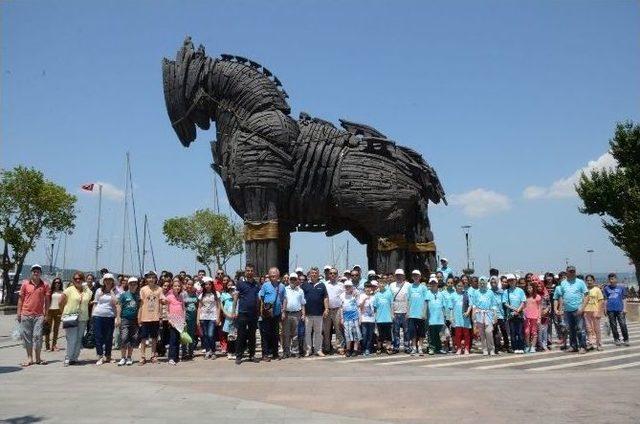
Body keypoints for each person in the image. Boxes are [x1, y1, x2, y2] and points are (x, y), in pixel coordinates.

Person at [17, 264, 50, 366]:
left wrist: (46, 314)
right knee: (27, 337)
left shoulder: (45, 285)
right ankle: (29, 358)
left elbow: (47, 300)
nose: (36, 273)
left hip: (39, 315)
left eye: (38, 271)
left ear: (40, 273)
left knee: (38, 336)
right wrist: (19, 313)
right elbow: (20, 299)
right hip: (26, 314)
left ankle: (38, 358)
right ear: (31, 273)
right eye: (34, 271)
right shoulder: (25, 284)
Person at [59, 272, 92, 366]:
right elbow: (61, 302)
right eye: (76, 279)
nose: (78, 280)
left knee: (79, 338)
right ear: (73, 280)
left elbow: (88, 302)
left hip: (83, 317)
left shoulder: (87, 291)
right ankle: (68, 357)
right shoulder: (69, 290)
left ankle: (74, 358)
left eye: (80, 278)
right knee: (71, 338)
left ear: (83, 280)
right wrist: (63, 313)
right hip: (70, 316)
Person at [554, 265, 588, 353]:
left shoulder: (580, 282)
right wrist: (560, 309)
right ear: (567, 272)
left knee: (581, 329)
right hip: (567, 311)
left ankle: (583, 347)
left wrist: (582, 308)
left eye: (573, 271)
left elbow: (586, 296)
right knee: (570, 329)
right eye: (570, 271)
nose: (572, 273)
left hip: (578, 310)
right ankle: (573, 346)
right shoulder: (563, 283)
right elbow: (561, 296)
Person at [233, 264, 261, 364]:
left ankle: (252, 355)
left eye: (251, 270)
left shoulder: (256, 284)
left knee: (252, 335)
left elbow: (258, 299)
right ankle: (238, 356)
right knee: (241, 335)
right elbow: (236, 297)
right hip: (242, 313)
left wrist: (259, 312)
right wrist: (233, 311)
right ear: (245, 271)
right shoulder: (240, 283)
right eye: (248, 270)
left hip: (253, 314)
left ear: (254, 272)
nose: (249, 272)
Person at [138, 270, 166, 365]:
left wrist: (161, 316)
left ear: (156, 279)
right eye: (149, 277)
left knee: (154, 338)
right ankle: (142, 357)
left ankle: (153, 356)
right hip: (145, 317)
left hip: (155, 317)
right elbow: (141, 304)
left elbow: (161, 303)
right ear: (146, 279)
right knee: (143, 338)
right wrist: (139, 317)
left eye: (153, 277)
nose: (151, 279)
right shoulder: (143, 289)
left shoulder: (159, 289)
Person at [258, 267, 286, 361]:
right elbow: (261, 299)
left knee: (275, 334)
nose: (273, 275)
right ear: (269, 276)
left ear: (278, 275)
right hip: (266, 314)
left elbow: (284, 299)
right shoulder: (265, 285)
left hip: (277, 314)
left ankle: (275, 354)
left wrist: (283, 311)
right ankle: (265, 354)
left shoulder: (282, 286)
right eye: (271, 274)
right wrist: (261, 311)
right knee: (265, 335)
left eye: (275, 274)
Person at [301, 267, 328, 356]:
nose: (314, 274)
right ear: (309, 274)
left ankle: (318, 350)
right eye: (312, 273)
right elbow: (302, 300)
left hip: (319, 314)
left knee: (318, 333)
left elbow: (325, 298)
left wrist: (326, 309)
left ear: (318, 274)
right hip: (308, 314)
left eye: (316, 273)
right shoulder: (304, 285)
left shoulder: (322, 285)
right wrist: (303, 313)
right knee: (307, 333)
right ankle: (308, 350)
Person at [92, 273, 118, 365]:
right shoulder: (99, 290)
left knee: (109, 337)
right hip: (98, 315)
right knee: (98, 336)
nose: (108, 281)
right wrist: (92, 315)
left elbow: (116, 303)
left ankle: (108, 356)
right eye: (106, 280)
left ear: (112, 281)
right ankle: (100, 356)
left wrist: (111, 292)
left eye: (110, 280)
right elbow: (95, 303)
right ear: (103, 281)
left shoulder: (115, 291)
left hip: (110, 316)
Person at [116, 277, 140, 366]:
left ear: (137, 285)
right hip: (125, 319)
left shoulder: (138, 296)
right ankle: (123, 357)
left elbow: (139, 308)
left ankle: (129, 357)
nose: (133, 286)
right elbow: (119, 306)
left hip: (135, 320)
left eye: (135, 284)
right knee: (124, 338)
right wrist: (118, 318)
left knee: (132, 339)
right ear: (128, 285)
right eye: (131, 284)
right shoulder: (124, 295)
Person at [471, 276, 497, 356]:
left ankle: (491, 349)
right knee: (482, 333)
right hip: (479, 314)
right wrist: (473, 314)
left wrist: (495, 315)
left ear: (486, 283)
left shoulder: (490, 292)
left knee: (489, 332)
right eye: (481, 283)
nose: (482, 284)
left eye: (484, 283)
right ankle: (484, 349)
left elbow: (493, 304)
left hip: (488, 314)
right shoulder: (476, 292)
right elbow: (474, 304)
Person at [282, 273, 306, 358]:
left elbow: (303, 304)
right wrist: (283, 312)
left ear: (297, 280)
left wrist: (303, 314)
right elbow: (282, 302)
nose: (293, 280)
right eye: (291, 279)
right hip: (287, 314)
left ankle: (295, 351)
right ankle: (286, 352)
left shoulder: (300, 290)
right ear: (289, 280)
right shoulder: (284, 289)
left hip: (297, 314)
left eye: (294, 279)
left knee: (296, 334)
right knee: (286, 334)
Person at [603, 273, 629, 346]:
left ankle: (626, 339)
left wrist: (625, 308)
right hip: (610, 309)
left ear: (616, 279)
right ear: (608, 280)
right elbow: (605, 299)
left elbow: (624, 298)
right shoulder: (606, 288)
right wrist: (605, 309)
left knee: (623, 324)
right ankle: (616, 339)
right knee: (613, 325)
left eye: (613, 279)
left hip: (620, 309)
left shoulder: (621, 288)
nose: (611, 280)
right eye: (610, 279)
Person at [323, 267, 345, 354]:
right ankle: (327, 348)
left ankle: (339, 347)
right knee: (326, 330)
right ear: (328, 275)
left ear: (337, 275)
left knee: (338, 330)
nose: (333, 275)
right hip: (327, 310)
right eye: (331, 273)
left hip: (337, 310)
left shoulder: (341, 285)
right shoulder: (324, 284)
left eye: (335, 273)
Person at [198, 278, 221, 359]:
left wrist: (218, 318)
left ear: (211, 285)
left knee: (211, 335)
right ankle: (208, 351)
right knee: (205, 335)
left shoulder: (216, 294)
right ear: (204, 286)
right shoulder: (202, 295)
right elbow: (199, 307)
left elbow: (218, 307)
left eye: (209, 284)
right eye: (206, 284)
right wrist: (198, 319)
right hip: (203, 317)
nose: (207, 286)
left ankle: (213, 351)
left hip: (213, 317)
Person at [406, 270, 428, 356]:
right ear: (412, 277)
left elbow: (426, 301)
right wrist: (407, 312)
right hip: (412, 314)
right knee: (413, 331)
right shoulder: (410, 287)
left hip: (420, 314)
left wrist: (424, 312)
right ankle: (414, 347)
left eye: (417, 276)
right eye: (414, 276)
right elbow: (408, 300)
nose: (415, 277)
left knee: (421, 332)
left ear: (420, 277)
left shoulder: (423, 287)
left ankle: (420, 347)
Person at [504, 274, 526, 354]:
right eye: (509, 280)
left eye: (512, 280)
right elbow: (505, 303)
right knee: (512, 332)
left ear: (515, 281)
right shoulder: (506, 291)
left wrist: (518, 310)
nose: (511, 282)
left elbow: (523, 301)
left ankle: (521, 347)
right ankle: (514, 347)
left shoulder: (520, 290)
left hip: (519, 314)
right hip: (511, 315)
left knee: (520, 332)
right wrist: (513, 310)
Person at [390, 269, 410, 354]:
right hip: (395, 311)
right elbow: (390, 299)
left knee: (406, 331)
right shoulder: (391, 285)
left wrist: (408, 312)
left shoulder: (408, 285)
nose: (399, 276)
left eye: (400, 275)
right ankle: (396, 346)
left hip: (405, 311)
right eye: (397, 275)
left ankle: (407, 346)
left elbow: (410, 299)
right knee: (395, 331)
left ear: (403, 276)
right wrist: (391, 312)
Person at [165, 278, 185, 365]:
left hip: (180, 321)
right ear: (172, 287)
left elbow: (183, 309)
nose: (177, 287)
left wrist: (184, 320)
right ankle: (171, 358)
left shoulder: (181, 297)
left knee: (177, 339)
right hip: (172, 321)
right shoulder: (169, 297)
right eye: (175, 286)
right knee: (172, 339)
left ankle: (176, 357)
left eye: (179, 286)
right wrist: (169, 320)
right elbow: (166, 310)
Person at [339, 280, 361, 357]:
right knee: (347, 334)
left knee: (356, 334)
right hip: (346, 318)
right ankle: (348, 350)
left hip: (355, 317)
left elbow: (358, 306)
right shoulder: (342, 295)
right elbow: (341, 308)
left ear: (352, 287)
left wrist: (359, 318)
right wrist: (341, 318)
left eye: (349, 286)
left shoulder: (356, 294)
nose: (347, 287)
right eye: (346, 286)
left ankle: (355, 350)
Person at [426, 276, 447, 355]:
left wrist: (445, 317)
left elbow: (444, 306)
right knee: (431, 335)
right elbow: (426, 305)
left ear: (437, 284)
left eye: (434, 283)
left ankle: (439, 348)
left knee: (438, 335)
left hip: (440, 318)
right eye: (431, 283)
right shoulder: (427, 293)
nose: (433, 284)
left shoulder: (441, 294)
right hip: (431, 318)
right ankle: (431, 348)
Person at [450, 281, 472, 355]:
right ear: (456, 286)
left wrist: (468, 312)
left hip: (465, 317)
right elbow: (451, 308)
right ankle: (458, 348)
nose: (460, 287)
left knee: (466, 334)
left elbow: (470, 305)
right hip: (457, 318)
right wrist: (451, 317)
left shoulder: (466, 294)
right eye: (458, 285)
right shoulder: (453, 295)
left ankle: (466, 348)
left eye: (461, 286)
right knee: (458, 334)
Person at [373, 278, 393, 354]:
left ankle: (388, 347)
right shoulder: (377, 294)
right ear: (378, 285)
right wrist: (375, 317)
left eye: (383, 283)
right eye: (380, 283)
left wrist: (392, 315)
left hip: (388, 318)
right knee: (380, 335)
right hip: (379, 318)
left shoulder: (389, 293)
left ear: (385, 284)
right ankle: (379, 347)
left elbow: (391, 305)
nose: (381, 285)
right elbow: (375, 307)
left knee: (388, 334)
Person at [584, 274, 604, 351]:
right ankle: (591, 343)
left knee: (597, 329)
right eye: (587, 280)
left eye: (590, 280)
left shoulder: (597, 290)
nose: (589, 282)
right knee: (589, 329)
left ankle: (599, 344)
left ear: (593, 281)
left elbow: (601, 301)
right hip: (586, 312)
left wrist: (599, 312)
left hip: (595, 311)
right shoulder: (585, 290)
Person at [490, 276, 509, 354]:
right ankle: (496, 348)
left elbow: (504, 302)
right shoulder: (489, 291)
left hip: (501, 314)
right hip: (492, 315)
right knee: (495, 332)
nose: (493, 284)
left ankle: (507, 346)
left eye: (495, 282)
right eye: (491, 282)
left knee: (504, 330)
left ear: (498, 283)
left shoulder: (502, 292)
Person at [45, 277, 64, 352]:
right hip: (50, 311)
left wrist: (63, 312)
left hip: (58, 311)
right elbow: (46, 301)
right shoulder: (50, 291)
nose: (57, 284)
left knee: (56, 329)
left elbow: (63, 303)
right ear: (53, 283)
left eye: (59, 282)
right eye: (56, 282)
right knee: (48, 329)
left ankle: (54, 345)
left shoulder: (62, 292)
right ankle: (47, 346)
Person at [523, 282, 542, 354]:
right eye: (527, 288)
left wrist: (539, 318)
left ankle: (533, 347)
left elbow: (539, 308)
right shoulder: (525, 297)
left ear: (533, 288)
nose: (529, 289)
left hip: (535, 317)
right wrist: (524, 315)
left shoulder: (537, 297)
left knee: (534, 332)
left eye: (530, 288)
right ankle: (527, 346)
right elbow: (524, 307)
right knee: (526, 332)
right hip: (526, 317)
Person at [182, 279, 199, 360]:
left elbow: (197, 306)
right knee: (184, 335)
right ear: (185, 285)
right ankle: (184, 353)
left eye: (191, 284)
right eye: (188, 284)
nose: (189, 286)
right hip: (185, 317)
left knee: (191, 335)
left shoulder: (195, 295)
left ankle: (191, 352)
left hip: (193, 318)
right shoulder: (183, 294)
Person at [220, 279, 237, 360]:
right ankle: (230, 352)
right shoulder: (224, 294)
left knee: (235, 336)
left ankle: (235, 351)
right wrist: (226, 313)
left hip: (236, 317)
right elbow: (222, 306)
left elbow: (238, 304)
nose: (230, 286)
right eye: (229, 284)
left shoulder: (237, 294)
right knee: (230, 336)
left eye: (232, 284)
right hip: (228, 317)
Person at [359, 282, 376, 356]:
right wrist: (365, 299)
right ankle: (364, 348)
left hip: (372, 319)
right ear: (364, 288)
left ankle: (368, 349)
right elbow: (360, 306)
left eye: (369, 287)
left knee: (370, 335)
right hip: (363, 318)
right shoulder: (361, 296)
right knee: (364, 334)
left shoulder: (374, 297)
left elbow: (375, 308)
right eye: (366, 287)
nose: (368, 289)